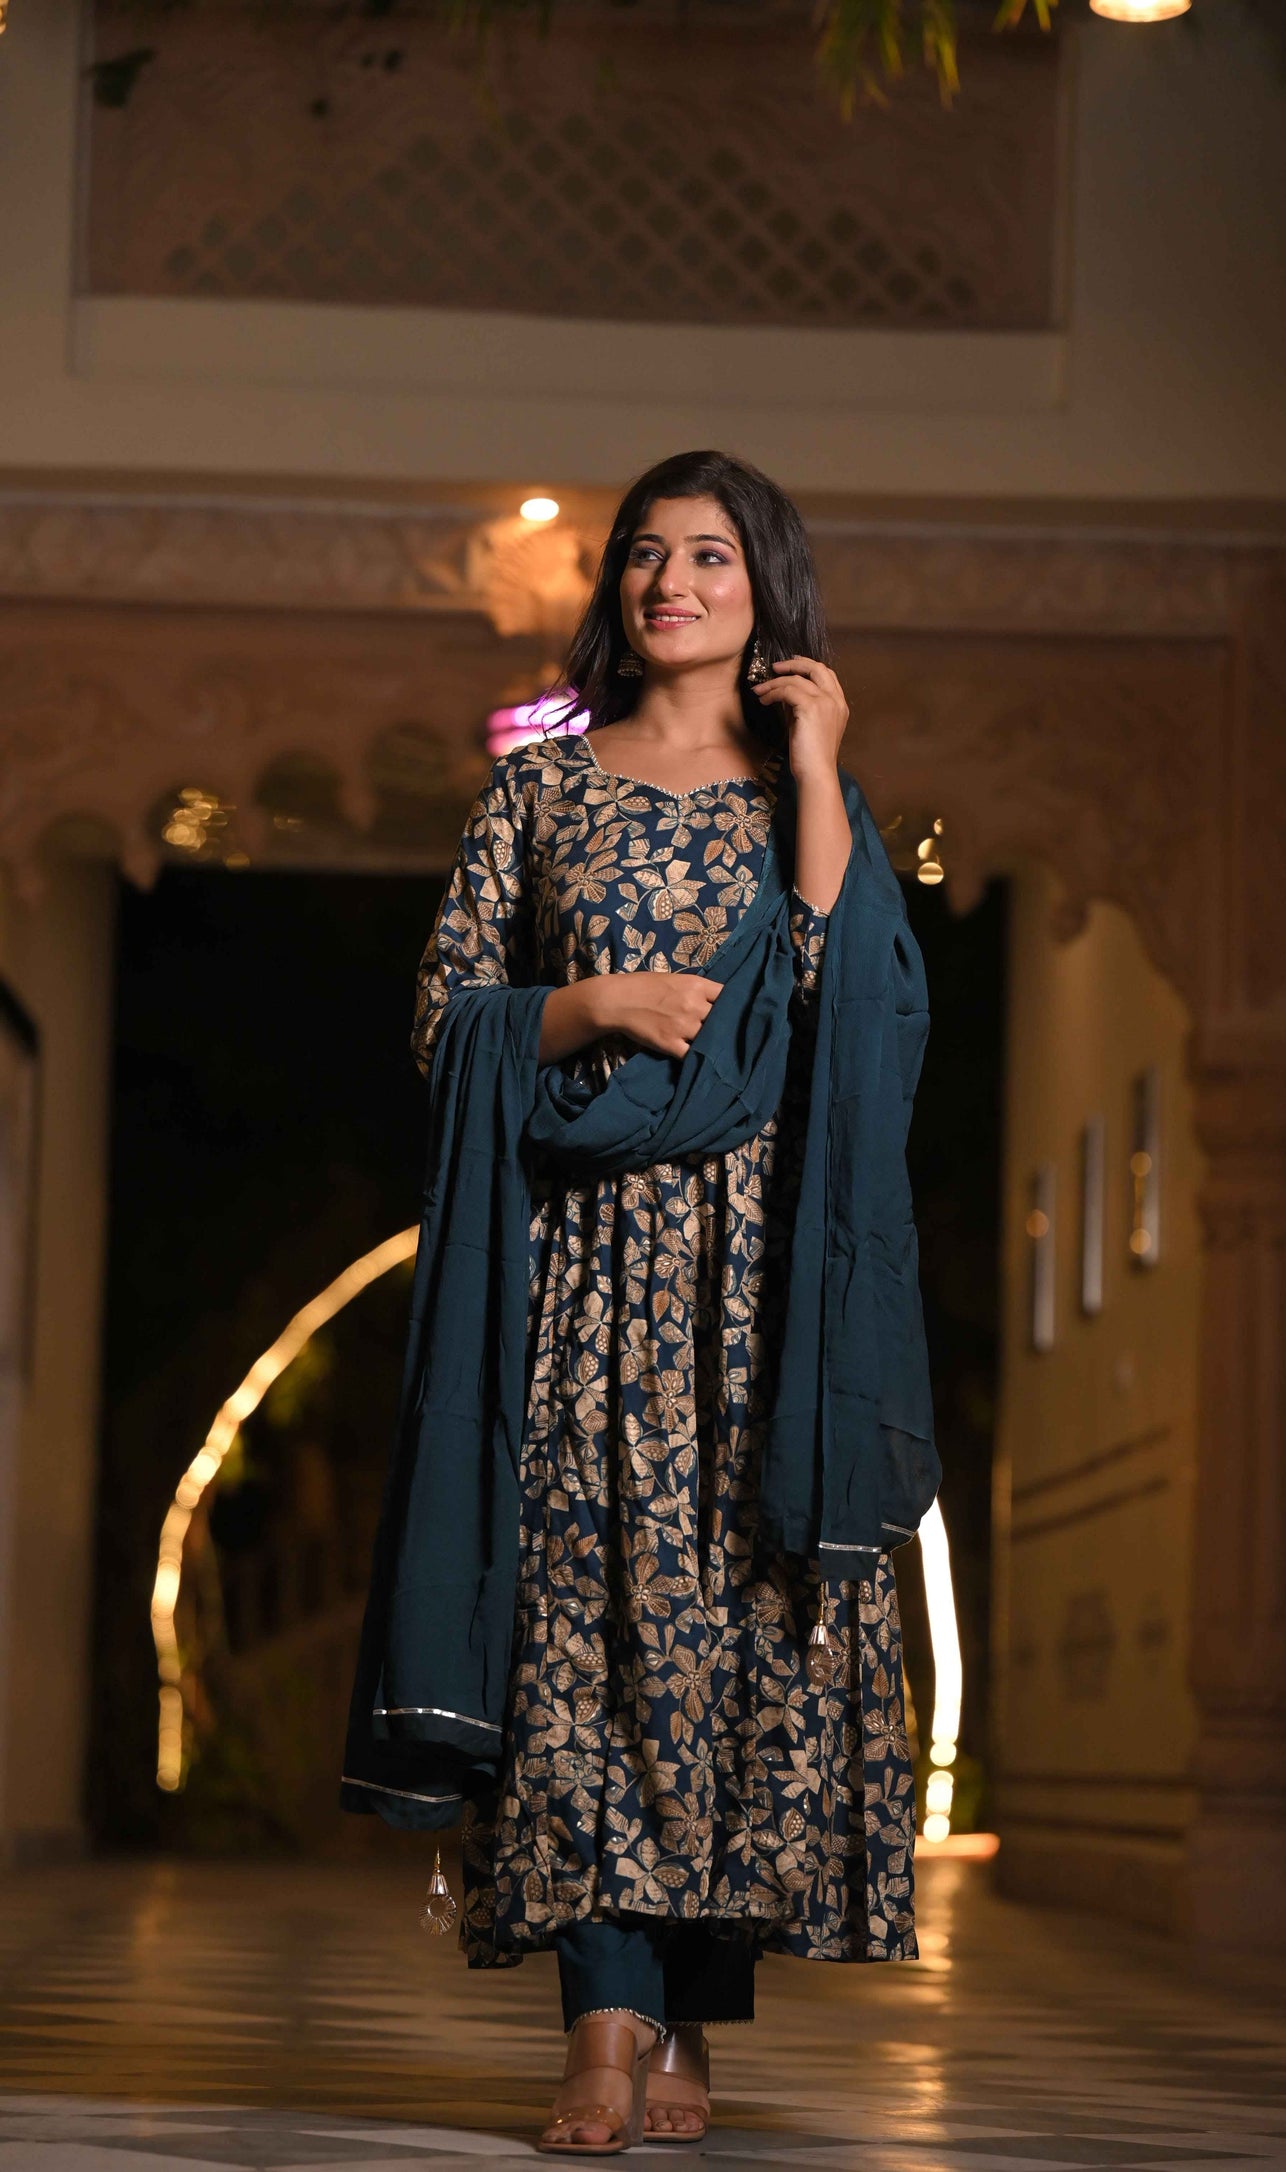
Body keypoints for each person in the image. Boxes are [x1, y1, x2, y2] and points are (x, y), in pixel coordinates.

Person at [341, 449, 936, 2154]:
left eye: (710, 557)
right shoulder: (539, 792)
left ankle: (691, 2019)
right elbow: (447, 1019)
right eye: (645, 556)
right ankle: (601, 2024)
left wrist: (813, 764)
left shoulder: (805, 794)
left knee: (740, 1634)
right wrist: (590, 1004)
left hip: (766, 1294)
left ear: (766, 589)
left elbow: (847, 1009)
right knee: (581, 1636)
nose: (669, 583)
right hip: (584, 1282)